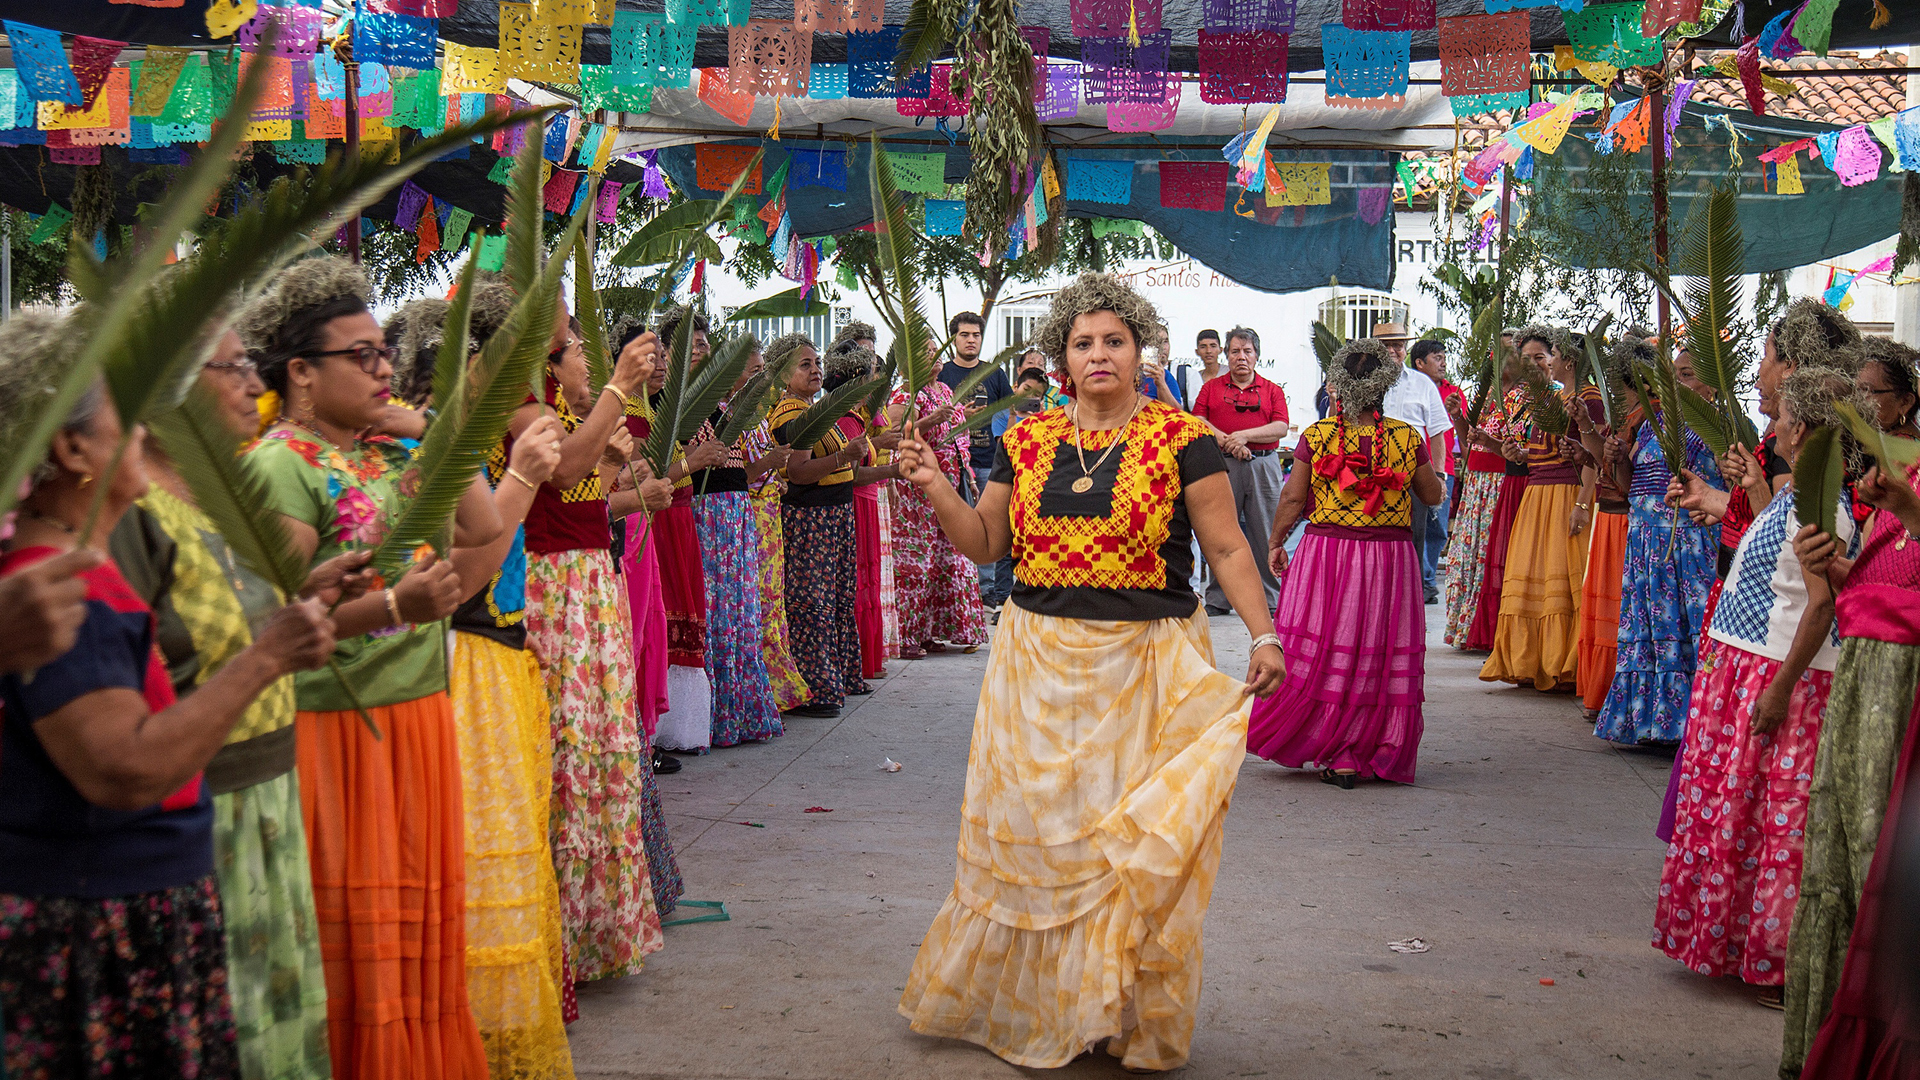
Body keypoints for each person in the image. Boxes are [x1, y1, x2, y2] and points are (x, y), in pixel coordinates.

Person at [892, 272, 1284, 1071]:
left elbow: (1227, 545)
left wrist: (1264, 634)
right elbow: (985, 543)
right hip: (1035, 666)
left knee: (1121, 846)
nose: (1099, 353)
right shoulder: (1027, 440)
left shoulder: (1184, 438)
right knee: (1045, 841)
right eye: (1082, 343)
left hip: (1147, 664)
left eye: (1115, 341)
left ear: (1141, 352)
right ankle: (1051, 1007)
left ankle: (1116, 1010)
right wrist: (934, 485)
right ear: (1061, 358)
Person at [0, 312, 343, 1079]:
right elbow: (124, 768)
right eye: (127, 415)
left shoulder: (81, 570)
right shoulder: (58, 591)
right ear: (72, 451)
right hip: (101, 919)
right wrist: (264, 659)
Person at [239, 257, 498, 1077]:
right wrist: (393, 607)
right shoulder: (281, 463)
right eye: (361, 356)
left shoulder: (390, 451)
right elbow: (277, 620)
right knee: (354, 935)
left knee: (418, 927)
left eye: (383, 351)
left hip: (415, 714)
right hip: (335, 727)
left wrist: (423, 425)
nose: (383, 366)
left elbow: (482, 523)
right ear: (301, 373)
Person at [385, 289, 581, 1075]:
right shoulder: (426, 443)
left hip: (492, 656)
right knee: (478, 857)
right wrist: (525, 477)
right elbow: (460, 579)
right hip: (460, 662)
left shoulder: (449, 436)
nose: (520, 383)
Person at [1653, 366, 1859, 1006]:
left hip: (1778, 674)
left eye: (1782, 419)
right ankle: (1742, 947)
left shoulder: (1825, 509)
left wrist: (1779, 689)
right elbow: (1775, 553)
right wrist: (1730, 494)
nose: (1773, 427)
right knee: (1740, 817)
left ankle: (1776, 961)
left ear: (1804, 431)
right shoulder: (1797, 497)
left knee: (1774, 824)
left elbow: (1820, 605)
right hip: (1748, 664)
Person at [1779, 343, 1920, 1076]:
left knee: (1880, 859)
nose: (1861, 411)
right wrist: (1833, 566)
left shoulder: (1902, 484)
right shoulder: (1887, 480)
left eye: (1871, 395)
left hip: (1903, 685)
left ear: (1904, 403)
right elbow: (1874, 586)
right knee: (1838, 859)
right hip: (1867, 675)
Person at [1247, 338, 1445, 786]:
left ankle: (1332, 745)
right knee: (1376, 649)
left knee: (1329, 646)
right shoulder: (1406, 437)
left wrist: (1276, 541)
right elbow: (1431, 494)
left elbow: (1293, 497)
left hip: (1328, 555)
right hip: (1390, 559)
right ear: (1384, 387)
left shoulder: (1318, 436)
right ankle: (1365, 747)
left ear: (1338, 385)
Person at [1592, 346, 1722, 745]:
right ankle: (1651, 724)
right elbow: (1631, 484)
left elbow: (1731, 488)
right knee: (1648, 630)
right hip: (1646, 545)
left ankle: (1690, 725)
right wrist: (1618, 458)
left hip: (1689, 545)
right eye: (1674, 375)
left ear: (1712, 383)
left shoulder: (1722, 426)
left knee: (1687, 628)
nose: (1677, 384)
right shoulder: (1654, 423)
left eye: (1687, 375)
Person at [1479, 325, 1604, 692]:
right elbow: (1540, 454)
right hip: (1537, 496)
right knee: (1534, 578)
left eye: (1550, 356)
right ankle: (1530, 662)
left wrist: (1582, 503)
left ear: (1569, 361)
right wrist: (1512, 451)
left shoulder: (1589, 398)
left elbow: (1595, 458)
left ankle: (1562, 664)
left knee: (1562, 583)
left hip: (1566, 495)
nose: (1546, 363)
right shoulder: (1552, 398)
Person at [685, 334, 787, 749]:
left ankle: (740, 713)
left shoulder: (728, 411)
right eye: (692, 347)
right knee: (716, 611)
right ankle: (713, 716)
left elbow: (738, 471)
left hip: (736, 515)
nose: (701, 353)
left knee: (740, 611)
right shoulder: (683, 408)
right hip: (708, 516)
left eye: (705, 346)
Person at [770, 334, 867, 717]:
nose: (815, 370)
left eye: (817, 363)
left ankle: (837, 677)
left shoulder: (815, 409)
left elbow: (846, 469)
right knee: (812, 603)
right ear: (783, 374)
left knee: (835, 598)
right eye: (804, 364)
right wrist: (843, 456)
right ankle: (814, 687)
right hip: (811, 519)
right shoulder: (791, 416)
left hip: (834, 516)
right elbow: (797, 472)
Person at [888, 349, 991, 657]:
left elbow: (958, 439)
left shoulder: (945, 390)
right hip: (917, 494)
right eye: (926, 350)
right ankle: (906, 637)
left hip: (950, 487)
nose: (934, 354)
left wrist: (968, 476)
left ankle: (929, 632)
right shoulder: (905, 394)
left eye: (935, 349)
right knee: (916, 564)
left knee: (945, 561)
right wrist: (931, 419)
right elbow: (894, 435)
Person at [1190, 326, 1291, 616]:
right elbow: (1198, 420)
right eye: (1235, 351)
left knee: (1267, 532)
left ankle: (1271, 597)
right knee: (1222, 531)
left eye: (1247, 351)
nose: (1241, 357)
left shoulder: (1272, 389)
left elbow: (1281, 427)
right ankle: (1218, 598)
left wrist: (1244, 436)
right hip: (1222, 465)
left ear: (1257, 355)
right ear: (1227, 355)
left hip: (1263, 464)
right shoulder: (1212, 388)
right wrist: (1229, 442)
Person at [830, 346, 904, 682]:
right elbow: (854, 473)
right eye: (869, 377)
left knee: (869, 579)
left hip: (868, 500)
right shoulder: (846, 419)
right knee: (860, 580)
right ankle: (859, 661)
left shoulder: (856, 417)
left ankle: (868, 659)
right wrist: (892, 471)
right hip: (857, 501)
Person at [1445, 348, 1526, 648]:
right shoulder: (1488, 393)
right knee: (1469, 556)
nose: (1498, 358)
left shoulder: (1525, 397)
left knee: (1490, 554)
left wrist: (1489, 442)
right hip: (1477, 483)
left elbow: (1517, 447)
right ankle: (1467, 627)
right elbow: (1469, 437)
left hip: (1500, 481)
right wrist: (1458, 416)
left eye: (1507, 352)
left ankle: (1490, 629)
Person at [938, 312, 1014, 608]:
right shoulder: (942, 374)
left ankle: (986, 590)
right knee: (954, 527)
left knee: (988, 526)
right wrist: (960, 417)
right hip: (951, 464)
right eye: (965, 335)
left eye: (976, 335)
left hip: (988, 461)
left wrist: (1005, 446)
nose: (971, 340)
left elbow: (1009, 410)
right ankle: (958, 589)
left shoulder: (994, 373)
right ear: (953, 339)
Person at [1373, 324, 1451, 605]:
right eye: (1386, 346)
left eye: (1398, 345)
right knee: (1374, 539)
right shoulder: (1363, 382)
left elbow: (1438, 432)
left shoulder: (1422, 383)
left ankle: (1410, 604)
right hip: (1371, 475)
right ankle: (1376, 599)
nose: (1393, 351)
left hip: (1413, 475)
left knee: (1414, 538)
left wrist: (1439, 476)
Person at [1171, 327, 1224, 408]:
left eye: (1213, 346)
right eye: (1203, 347)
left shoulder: (1230, 373)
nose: (1208, 351)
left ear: (1220, 349)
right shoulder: (1194, 378)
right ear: (1197, 351)